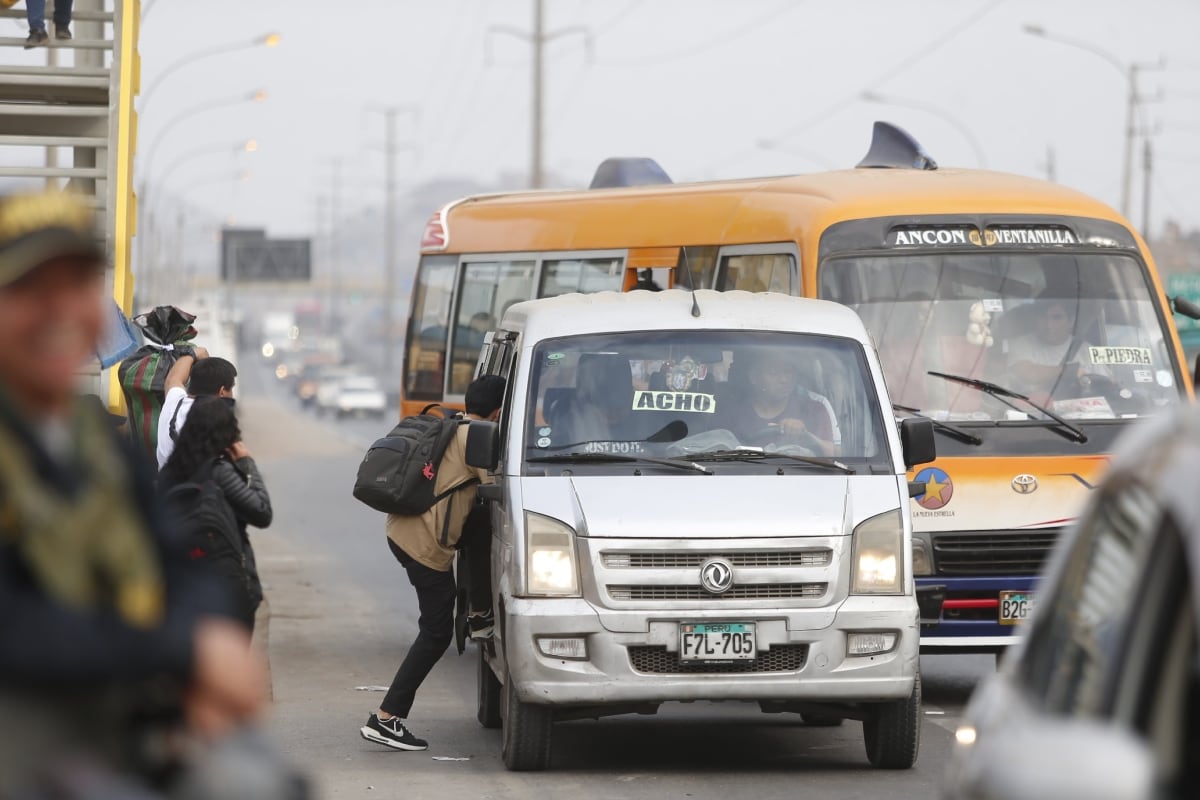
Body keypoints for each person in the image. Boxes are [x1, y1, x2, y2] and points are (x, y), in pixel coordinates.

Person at [0, 190, 265, 793]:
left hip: (111, 717)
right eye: (30, 291)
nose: (59, 311)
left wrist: (214, 636)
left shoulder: (98, 449)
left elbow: (182, 566)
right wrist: (179, 650)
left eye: (78, 288)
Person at [360, 375, 505, 753]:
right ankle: (387, 717)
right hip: (423, 546)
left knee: (478, 523)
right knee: (435, 632)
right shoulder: (478, 437)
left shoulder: (456, 424)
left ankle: (478, 612)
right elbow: (502, 486)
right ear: (499, 411)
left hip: (403, 530)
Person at [160, 397, 273, 632]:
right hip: (225, 589)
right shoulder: (219, 472)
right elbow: (262, 513)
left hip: (180, 586)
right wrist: (247, 463)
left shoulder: (170, 473)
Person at [725, 349, 840, 455]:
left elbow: (833, 454)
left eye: (788, 372)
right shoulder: (733, 413)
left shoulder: (813, 409)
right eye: (773, 373)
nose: (784, 380)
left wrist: (806, 436)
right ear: (754, 377)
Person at [1007, 294, 1100, 398]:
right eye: (1043, 317)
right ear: (1036, 319)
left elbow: (1107, 384)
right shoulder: (1021, 344)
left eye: (1057, 318)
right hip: (1032, 412)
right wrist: (1069, 371)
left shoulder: (1086, 350)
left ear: (1071, 321)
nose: (1049, 325)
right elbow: (1028, 373)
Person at [157, 350, 237, 468]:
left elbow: (173, 379)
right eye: (231, 389)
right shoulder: (215, 421)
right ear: (222, 392)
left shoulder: (174, 402)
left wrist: (193, 353)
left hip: (165, 484)